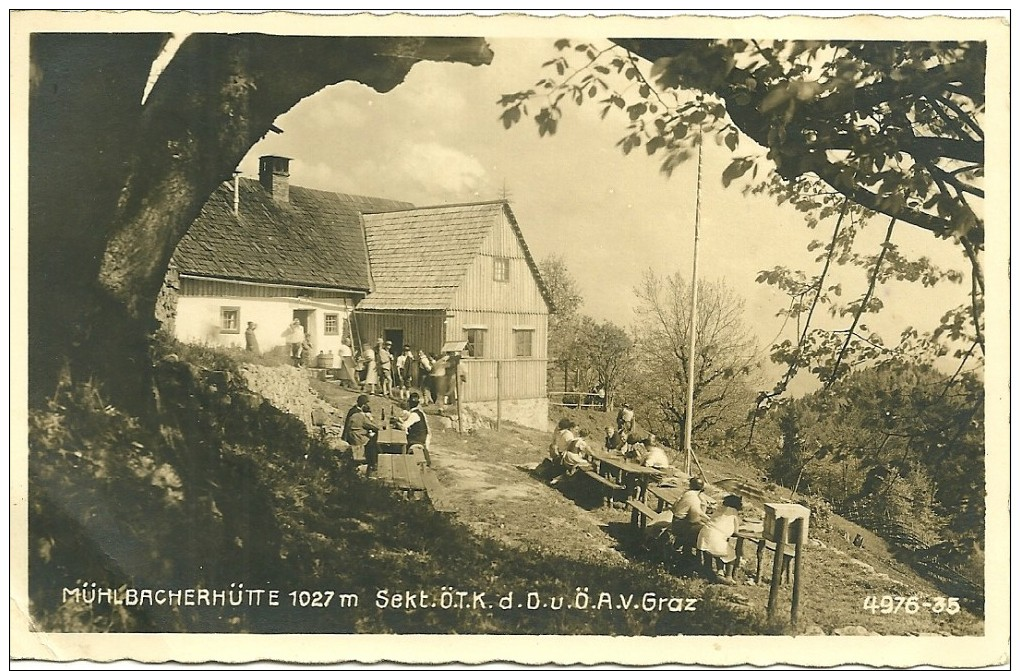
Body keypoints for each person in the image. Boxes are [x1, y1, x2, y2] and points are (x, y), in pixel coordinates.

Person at [696, 494, 744, 583]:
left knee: (714, 551)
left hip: (704, 534)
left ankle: (717, 572)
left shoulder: (720, 509)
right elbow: (736, 531)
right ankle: (729, 577)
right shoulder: (733, 512)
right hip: (716, 537)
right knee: (731, 555)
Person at [671, 477, 711, 554]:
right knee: (705, 529)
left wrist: (707, 517)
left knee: (702, 526)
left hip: (676, 521)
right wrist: (707, 519)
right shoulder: (695, 499)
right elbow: (694, 519)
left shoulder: (687, 493)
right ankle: (688, 548)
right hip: (680, 525)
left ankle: (685, 548)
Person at [346, 400, 381, 474]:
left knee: (371, 441)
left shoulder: (354, 415)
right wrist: (371, 419)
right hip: (358, 437)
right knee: (373, 444)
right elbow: (375, 427)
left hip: (351, 435)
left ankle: (373, 461)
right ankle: (373, 462)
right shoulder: (362, 417)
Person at [400, 392, 432, 467]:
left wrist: (398, 423)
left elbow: (404, 426)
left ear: (409, 403)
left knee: (401, 445)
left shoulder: (414, 415)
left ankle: (404, 463)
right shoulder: (420, 412)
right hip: (424, 436)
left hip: (418, 439)